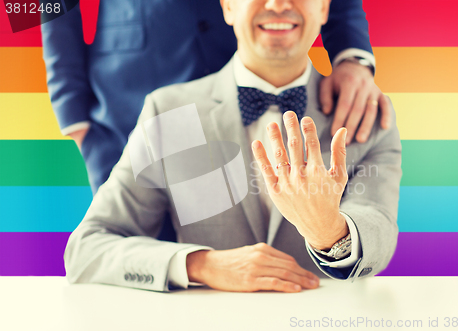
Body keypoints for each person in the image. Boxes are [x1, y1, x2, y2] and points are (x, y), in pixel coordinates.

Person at [64, 0, 402, 293]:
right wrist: (201, 265)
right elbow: (87, 248)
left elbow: (379, 231)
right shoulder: (169, 114)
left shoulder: (365, 115)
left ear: (326, 6)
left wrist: (329, 231)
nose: (278, 4)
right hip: (125, 87)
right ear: (226, 5)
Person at [42, 0, 390, 194]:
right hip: (126, 104)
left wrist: (351, 56)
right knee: (135, 264)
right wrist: (71, 111)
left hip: (251, 85)